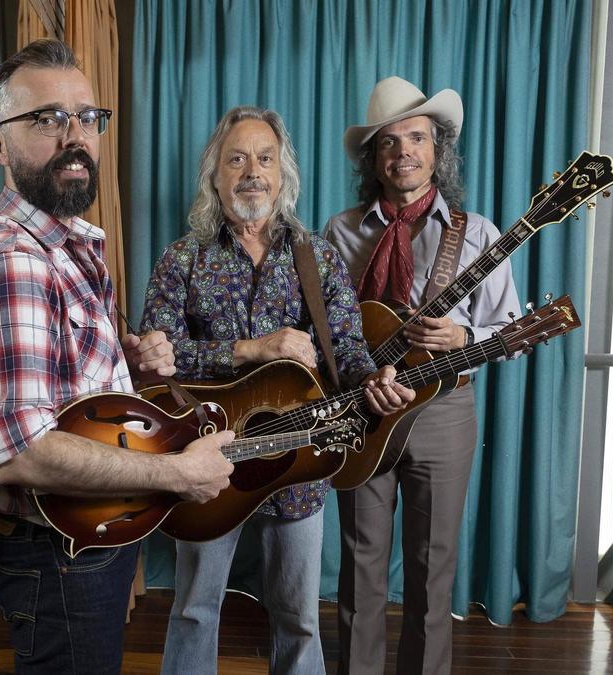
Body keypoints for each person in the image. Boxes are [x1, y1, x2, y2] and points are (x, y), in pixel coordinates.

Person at [0, 38, 236, 674]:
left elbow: (63, 391)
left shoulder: (70, 244)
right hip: (58, 556)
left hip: (88, 541)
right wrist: (176, 476)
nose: (75, 135)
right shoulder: (14, 264)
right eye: (47, 118)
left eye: (87, 117)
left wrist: (125, 366)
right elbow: (19, 450)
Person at [140, 106, 415, 675]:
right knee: (194, 609)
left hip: (298, 461)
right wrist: (250, 348)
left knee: (298, 616)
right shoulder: (182, 259)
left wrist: (375, 382)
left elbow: (348, 350)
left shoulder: (317, 257)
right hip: (206, 461)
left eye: (264, 158)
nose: (251, 172)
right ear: (214, 174)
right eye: (236, 158)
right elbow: (154, 369)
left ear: (283, 173)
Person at [323, 76, 521, 674]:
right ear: (372, 158)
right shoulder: (339, 231)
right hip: (364, 408)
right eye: (388, 141)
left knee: (434, 569)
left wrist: (466, 336)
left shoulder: (478, 233)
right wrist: (359, 378)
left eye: (416, 137)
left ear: (438, 151)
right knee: (359, 563)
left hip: (444, 412)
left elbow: (510, 333)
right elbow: (329, 333)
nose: (403, 151)